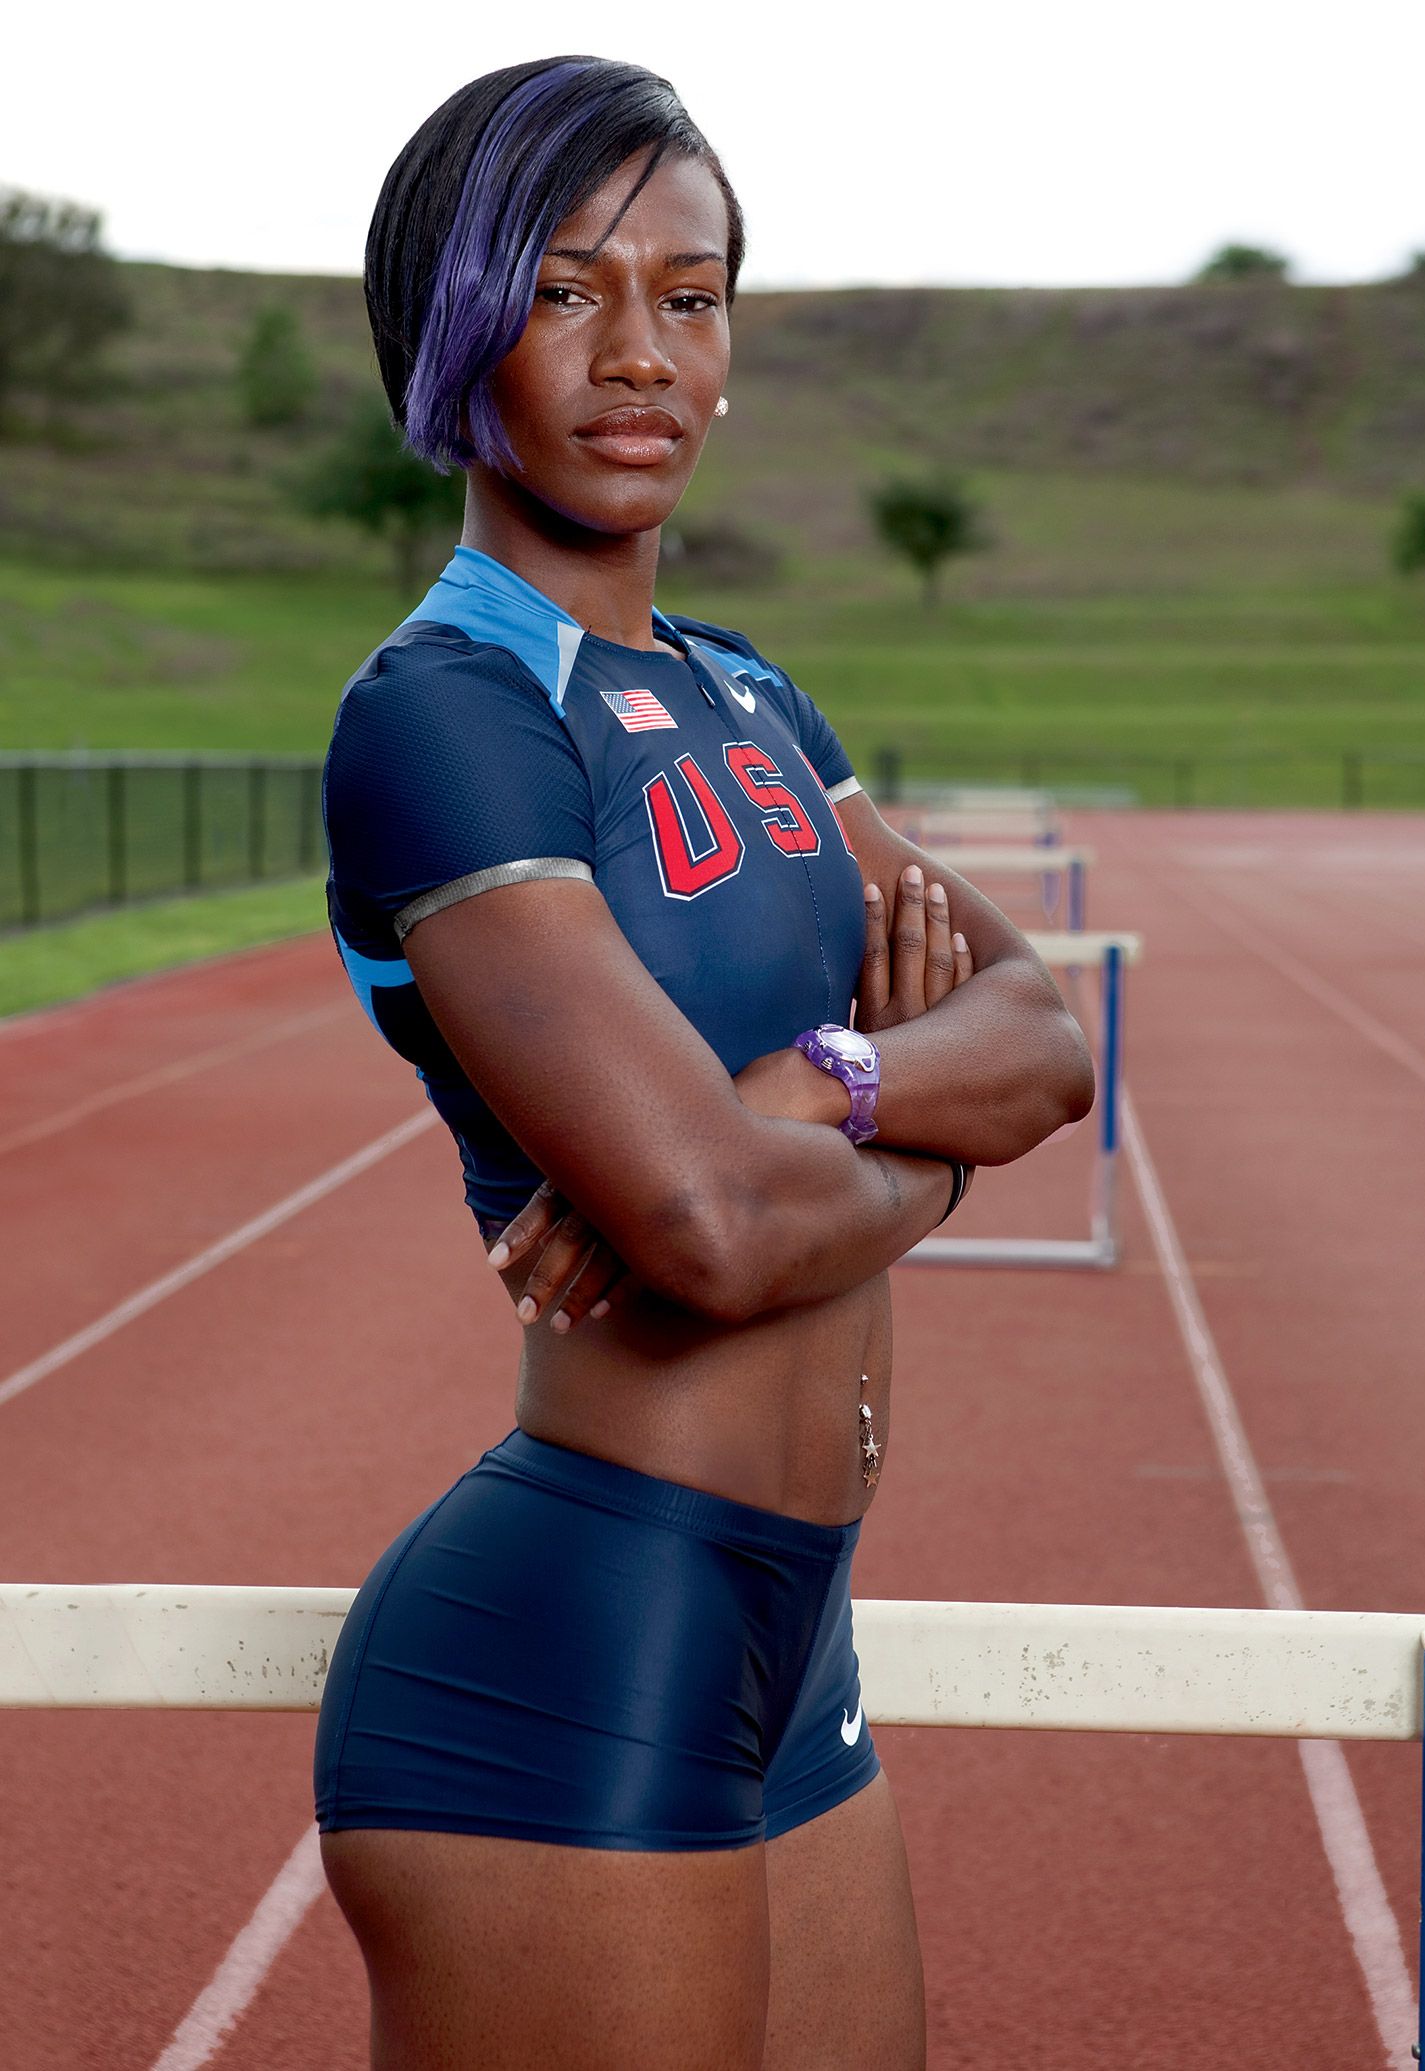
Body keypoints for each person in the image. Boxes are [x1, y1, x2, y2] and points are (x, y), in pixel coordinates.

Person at [313, 55, 1093, 2070]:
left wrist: (808, 1082)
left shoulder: (749, 692)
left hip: (792, 1627)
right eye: (567, 291)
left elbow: (1040, 1033)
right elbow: (712, 1236)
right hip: (575, 1640)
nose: (641, 351)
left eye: (691, 288)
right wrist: (891, 1136)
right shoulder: (451, 713)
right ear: (451, 329)